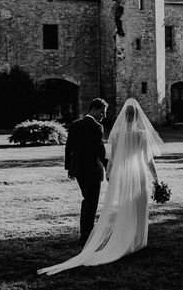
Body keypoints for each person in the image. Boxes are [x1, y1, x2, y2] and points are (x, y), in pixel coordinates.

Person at [38, 97, 163, 275]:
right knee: (133, 204)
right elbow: (145, 159)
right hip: (132, 173)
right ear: (137, 117)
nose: (104, 116)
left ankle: (95, 235)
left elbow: (76, 149)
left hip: (91, 171)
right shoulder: (137, 133)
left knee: (114, 204)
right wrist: (156, 179)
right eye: (102, 112)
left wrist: (108, 171)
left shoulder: (107, 132)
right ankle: (135, 240)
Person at [64, 98, 109, 247]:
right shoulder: (97, 127)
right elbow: (100, 150)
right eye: (102, 112)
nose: (104, 116)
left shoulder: (75, 125)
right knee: (91, 202)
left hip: (78, 170)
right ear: (94, 109)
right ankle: (86, 237)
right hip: (92, 170)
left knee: (87, 200)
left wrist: (69, 167)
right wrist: (108, 167)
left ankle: (85, 235)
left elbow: (68, 148)